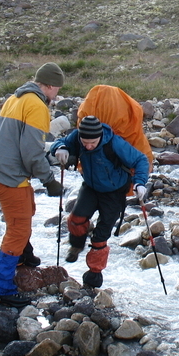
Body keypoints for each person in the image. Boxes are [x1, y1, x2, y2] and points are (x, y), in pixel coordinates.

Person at [0, 62, 65, 308]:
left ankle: (22, 256)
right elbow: (31, 152)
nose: (57, 94)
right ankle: (1, 289)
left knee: (26, 209)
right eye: (57, 89)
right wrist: (49, 180)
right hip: (8, 175)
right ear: (50, 85)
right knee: (18, 228)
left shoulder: (15, 98)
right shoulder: (37, 106)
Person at [50, 115, 150, 288]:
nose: (88, 146)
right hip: (90, 187)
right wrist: (60, 148)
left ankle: (94, 275)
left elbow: (141, 160)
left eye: (93, 143)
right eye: (85, 143)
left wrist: (140, 183)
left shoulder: (114, 143)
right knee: (76, 219)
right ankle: (76, 246)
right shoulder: (77, 137)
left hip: (114, 193)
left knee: (100, 238)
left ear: (100, 137)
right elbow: (59, 142)